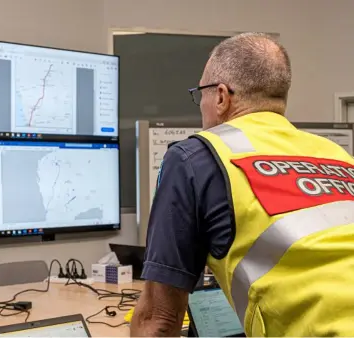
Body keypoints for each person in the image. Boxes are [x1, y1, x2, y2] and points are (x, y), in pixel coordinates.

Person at [130, 32, 354, 337]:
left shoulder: (196, 157)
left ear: (221, 96)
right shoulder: (337, 155)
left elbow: (159, 321)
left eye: (201, 94)